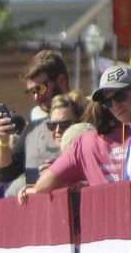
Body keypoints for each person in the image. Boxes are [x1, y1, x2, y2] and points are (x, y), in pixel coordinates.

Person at [20, 65, 131, 200]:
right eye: (107, 102)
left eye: (120, 96)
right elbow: (42, 187)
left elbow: (40, 188)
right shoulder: (84, 143)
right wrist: (67, 182)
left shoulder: (84, 142)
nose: (115, 105)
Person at [0, 50, 69, 195]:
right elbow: (4, 173)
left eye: (40, 89)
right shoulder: (32, 130)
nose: (36, 97)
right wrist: (3, 141)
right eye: (32, 91)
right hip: (40, 216)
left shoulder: (88, 120)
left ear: (61, 81)